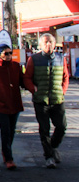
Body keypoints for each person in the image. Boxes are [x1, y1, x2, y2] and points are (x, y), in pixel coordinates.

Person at [24, 33, 70, 169]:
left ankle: (53, 147)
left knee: (61, 127)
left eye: (50, 42)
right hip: (41, 100)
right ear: (41, 45)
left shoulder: (61, 59)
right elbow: (27, 77)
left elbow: (65, 76)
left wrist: (63, 90)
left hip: (57, 99)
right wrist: (34, 89)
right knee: (44, 130)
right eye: (45, 42)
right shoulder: (34, 59)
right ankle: (49, 156)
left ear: (54, 44)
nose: (48, 44)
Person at [0, 43, 25, 170]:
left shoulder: (15, 66)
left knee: (12, 130)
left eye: (10, 53)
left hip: (14, 104)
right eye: (5, 53)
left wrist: (34, 87)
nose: (8, 56)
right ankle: (8, 158)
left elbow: (23, 81)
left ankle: (6, 151)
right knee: (5, 130)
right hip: (0, 105)